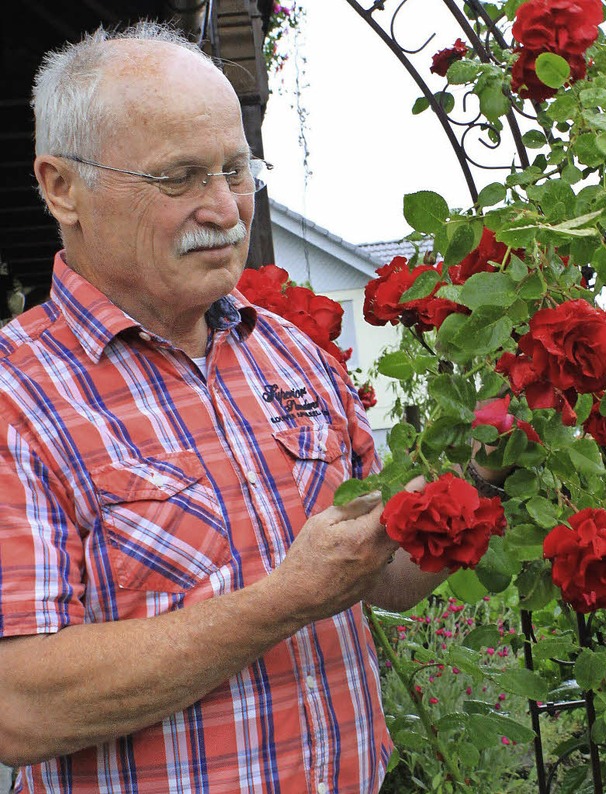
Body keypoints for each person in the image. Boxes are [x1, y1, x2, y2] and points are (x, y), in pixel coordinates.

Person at [0, 22, 448, 793]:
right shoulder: (19, 394)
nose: (223, 208)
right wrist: (283, 601)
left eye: (236, 169)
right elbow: (20, 707)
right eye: (178, 177)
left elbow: (384, 578)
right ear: (61, 187)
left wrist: (477, 479)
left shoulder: (290, 353)